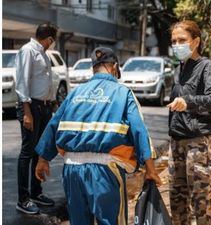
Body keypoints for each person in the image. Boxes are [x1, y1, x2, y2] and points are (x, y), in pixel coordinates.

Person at [34, 46, 162, 225]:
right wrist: (150, 169)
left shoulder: (76, 92)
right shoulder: (123, 93)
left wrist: (43, 159)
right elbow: (139, 130)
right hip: (105, 170)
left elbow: (54, 125)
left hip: (72, 170)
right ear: (115, 67)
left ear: (93, 67)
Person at [167, 20, 211, 225]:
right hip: (177, 143)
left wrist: (187, 102)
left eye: (182, 40)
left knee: (199, 205)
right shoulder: (178, 69)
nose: (177, 45)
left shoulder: (205, 66)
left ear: (195, 41)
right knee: (177, 204)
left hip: (200, 143)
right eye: (173, 41)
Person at [15, 22, 58, 214]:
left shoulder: (42, 53)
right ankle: (23, 199)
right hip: (30, 106)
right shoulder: (28, 51)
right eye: (53, 40)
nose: (52, 44)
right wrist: (27, 112)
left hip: (43, 107)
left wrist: (52, 103)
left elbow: (44, 81)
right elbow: (22, 81)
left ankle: (36, 192)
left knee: (38, 152)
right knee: (27, 153)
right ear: (49, 38)